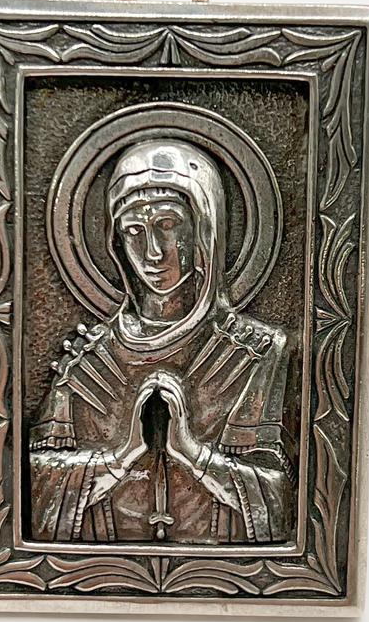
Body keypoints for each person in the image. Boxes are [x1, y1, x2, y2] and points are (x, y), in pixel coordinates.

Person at [30, 139, 296, 544]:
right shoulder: (86, 365)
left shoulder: (255, 354)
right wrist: (120, 457)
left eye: (168, 225)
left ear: (204, 229)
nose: (152, 252)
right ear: (116, 243)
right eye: (134, 231)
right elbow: (38, 496)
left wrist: (193, 454)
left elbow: (280, 503)